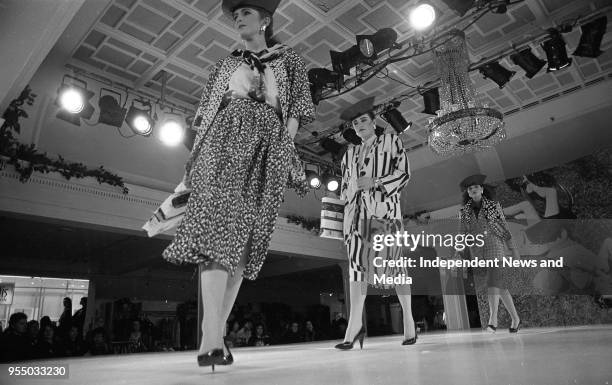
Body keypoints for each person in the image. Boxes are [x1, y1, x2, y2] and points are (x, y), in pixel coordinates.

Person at [161, 0, 314, 370]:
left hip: (267, 145)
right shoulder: (223, 65)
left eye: (245, 12)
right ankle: (210, 335)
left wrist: (283, 144)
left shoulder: (289, 58)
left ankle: (214, 331)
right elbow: (206, 115)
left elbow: (296, 111)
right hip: (223, 139)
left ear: (266, 19)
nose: (238, 18)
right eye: (235, 14)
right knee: (214, 230)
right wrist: (193, 164)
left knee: (245, 241)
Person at [336, 97, 416, 350]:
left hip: (383, 213)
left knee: (395, 266)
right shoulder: (349, 153)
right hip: (356, 217)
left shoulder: (390, 141)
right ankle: (353, 327)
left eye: (363, 120)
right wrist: (347, 195)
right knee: (357, 269)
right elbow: (345, 188)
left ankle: (409, 321)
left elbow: (404, 174)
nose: (359, 125)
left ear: (373, 122)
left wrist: (377, 182)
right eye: (355, 122)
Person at [458, 174, 521, 333]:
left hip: (495, 245)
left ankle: (493, 319)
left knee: (493, 282)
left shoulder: (494, 206)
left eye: (476, 187)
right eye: (470, 188)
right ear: (468, 192)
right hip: (478, 250)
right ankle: (515, 318)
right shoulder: (464, 211)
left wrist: (513, 250)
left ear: (482, 189)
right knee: (500, 287)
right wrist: (458, 253)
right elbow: (462, 234)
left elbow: (504, 227)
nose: (473, 190)